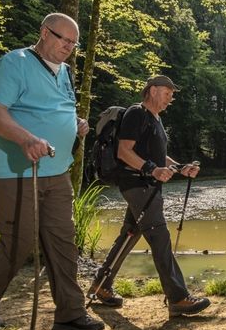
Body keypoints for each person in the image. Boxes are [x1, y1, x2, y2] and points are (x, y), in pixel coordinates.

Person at [0, 12, 105, 330]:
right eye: (63, 39)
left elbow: (56, 109)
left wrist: (76, 124)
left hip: (57, 171)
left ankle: (70, 314)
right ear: (44, 32)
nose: (68, 47)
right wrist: (26, 139)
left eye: (73, 43)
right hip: (16, 171)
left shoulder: (65, 72)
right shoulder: (15, 63)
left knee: (63, 242)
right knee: (18, 242)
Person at [88, 75, 210, 317]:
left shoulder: (156, 119)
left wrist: (180, 168)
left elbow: (158, 157)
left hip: (147, 186)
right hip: (138, 185)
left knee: (129, 235)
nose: (170, 98)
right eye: (167, 93)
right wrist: (152, 170)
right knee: (160, 237)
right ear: (153, 91)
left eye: (172, 95)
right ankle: (178, 297)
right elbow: (124, 151)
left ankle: (101, 286)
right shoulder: (137, 113)